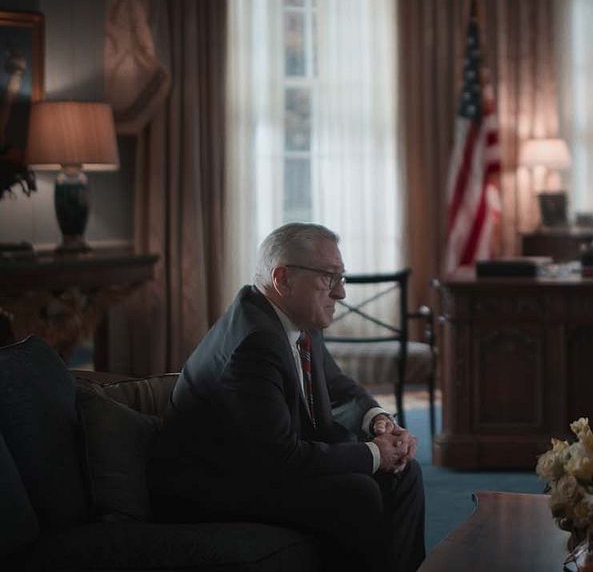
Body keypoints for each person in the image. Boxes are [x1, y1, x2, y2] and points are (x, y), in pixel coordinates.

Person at [150, 223, 425, 572]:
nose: (341, 293)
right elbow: (278, 458)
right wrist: (375, 453)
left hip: (257, 466)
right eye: (329, 278)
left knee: (405, 473)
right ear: (283, 279)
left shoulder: (297, 319)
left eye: (342, 278)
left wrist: (379, 422)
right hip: (212, 486)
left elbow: (338, 387)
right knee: (358, 494)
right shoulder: (253, 342)